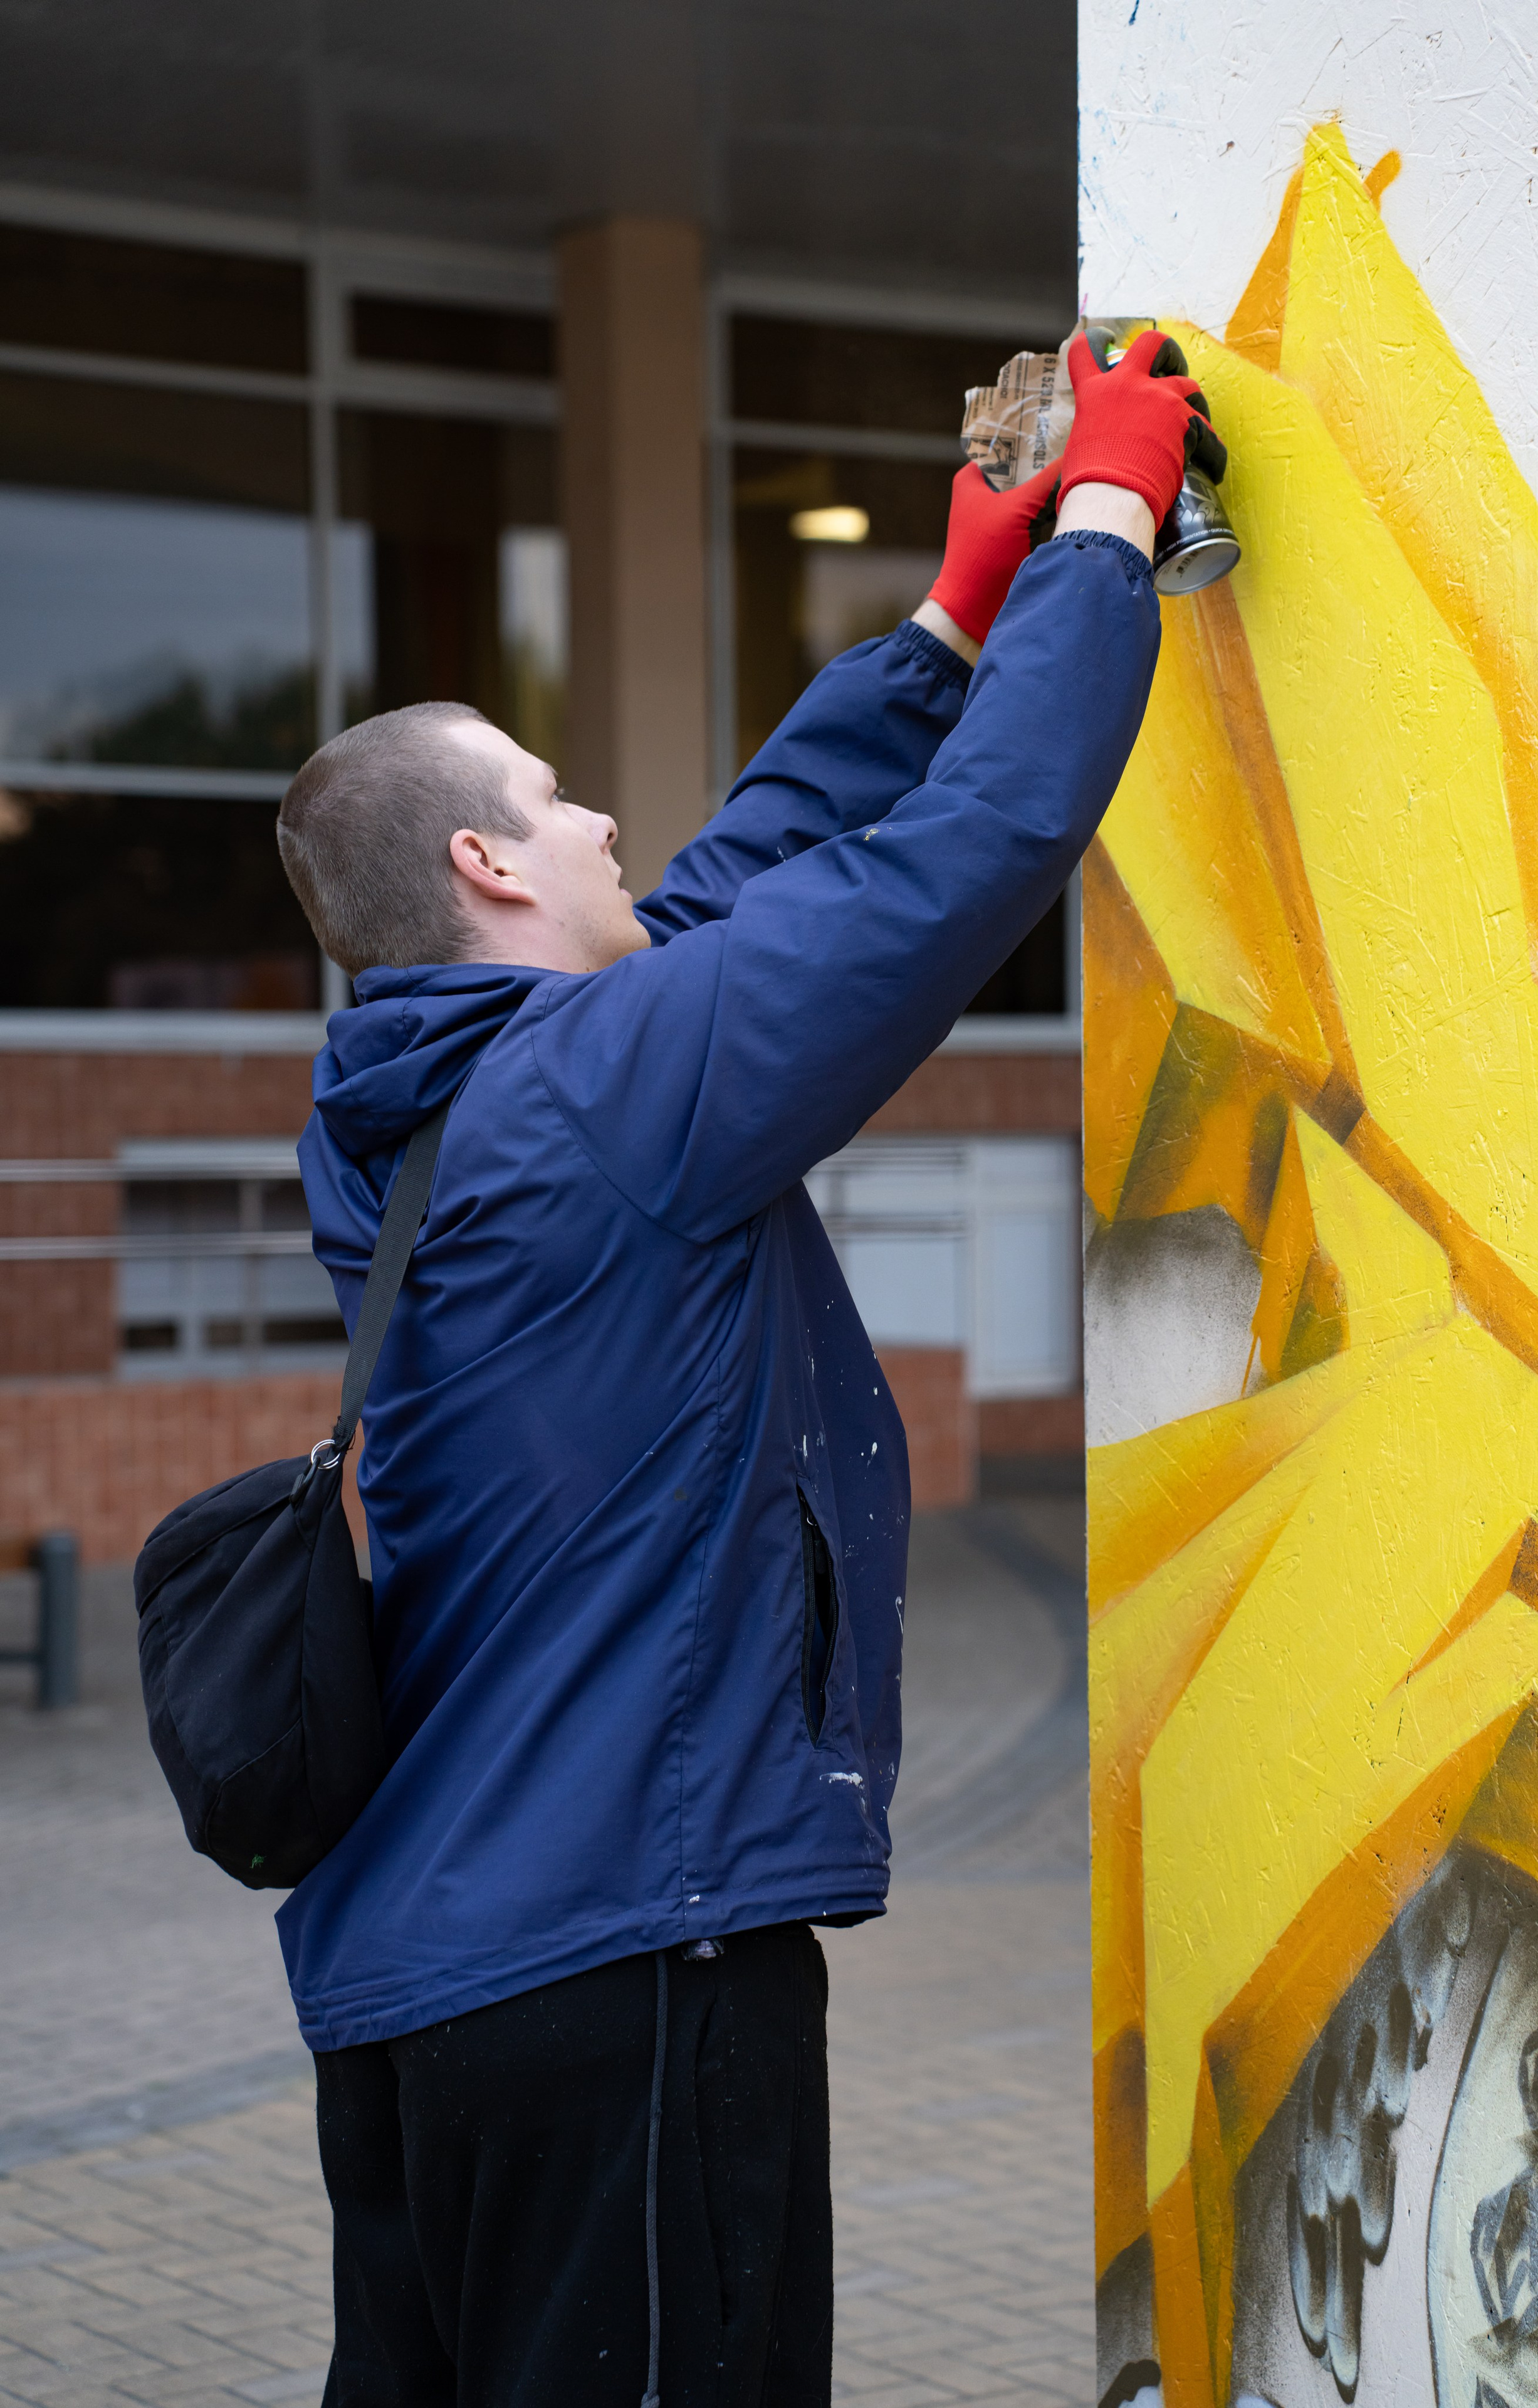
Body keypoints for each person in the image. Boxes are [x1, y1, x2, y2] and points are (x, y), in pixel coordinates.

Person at [273, 330, 1215, 2407]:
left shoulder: (434, 1109)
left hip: (429, 1993)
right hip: (624, 1969)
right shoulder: (603, 1089)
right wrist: (1104, 531)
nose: (602, 808)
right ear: (492, 870)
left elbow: (741, 879)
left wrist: (945, 626)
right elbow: (948, 873)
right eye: (550, 790)